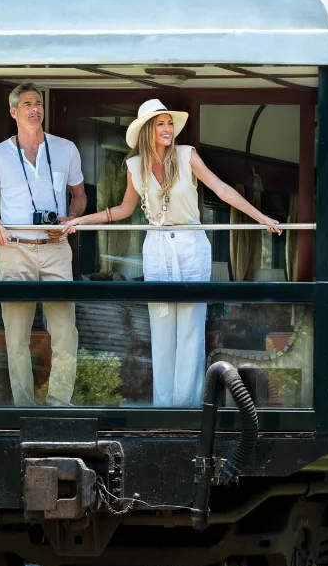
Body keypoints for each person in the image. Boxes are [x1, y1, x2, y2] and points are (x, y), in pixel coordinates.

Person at [63, 99, 280, 406]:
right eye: (160, 123)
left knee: (190, 328)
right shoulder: (134, 166)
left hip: (192, 244)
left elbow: (222, 190)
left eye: (168, 123)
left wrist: (262, 219)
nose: (166, 129)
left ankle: (188, 408)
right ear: (147, 130)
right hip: (157, 247)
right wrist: (81, 220)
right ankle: (163, 407)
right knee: (162, 327)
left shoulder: (186, 155)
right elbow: (124, 209)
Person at [0, 84, 86, 406]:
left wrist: (70, 219)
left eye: (38, 103)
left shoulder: (66, 148)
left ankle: (59, 405)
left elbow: (79, 196)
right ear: (14, 112)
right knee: (16, 335)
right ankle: (23, 408)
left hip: (55, 249)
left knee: (66, 332)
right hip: (15, 249)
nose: (34, 109)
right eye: (27, 104)